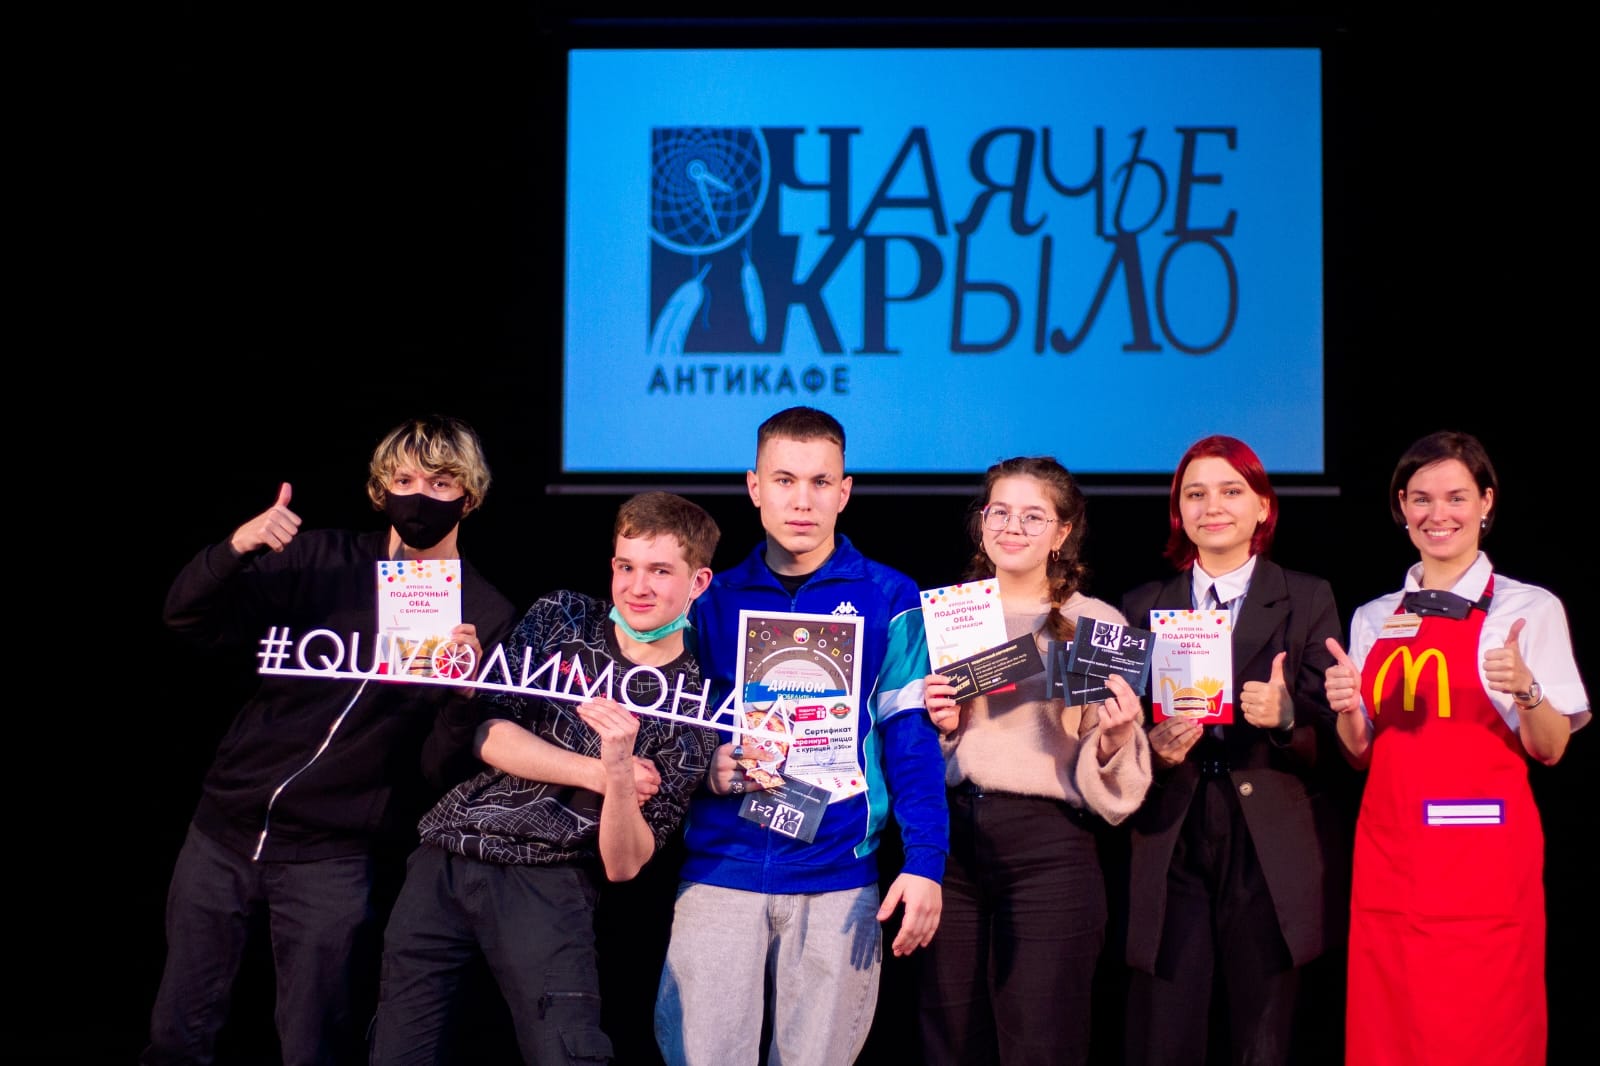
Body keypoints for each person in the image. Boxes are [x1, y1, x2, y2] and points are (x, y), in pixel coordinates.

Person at [145, 414, 518, 1066]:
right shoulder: (321, 559)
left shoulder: (483, 612)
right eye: (404, 480)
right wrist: (235, 547)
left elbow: (437, 769)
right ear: (380, 489)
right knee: (177, 1034)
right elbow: (186, 617)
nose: (420, 497)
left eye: (440, 482)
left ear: (469, 494)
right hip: (223, 830)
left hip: (331, 856)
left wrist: (462, 701)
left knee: (313, 1044)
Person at [368, 491, 722, 1064]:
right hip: (448, 855)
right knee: (399, 1052)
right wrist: (601, 772)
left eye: (660, 571)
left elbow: (625, 863)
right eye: (626, 567)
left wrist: (619, 766)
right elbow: (487, 735)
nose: (637, 587)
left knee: (565, 1052)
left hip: (548, 880)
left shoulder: (697, 701)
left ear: (698, 582)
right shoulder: (562, 615)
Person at [652, 406, 947, 1066]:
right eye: (784, 480)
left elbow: (910, 740)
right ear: (754, 487)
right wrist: (706, 767)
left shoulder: (890, 596)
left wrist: (925, 862)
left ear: (845, 491)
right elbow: (666, 729)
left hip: (838, 877)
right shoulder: (709, 600)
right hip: (721, 872)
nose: (802, 501)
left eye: (820, 482)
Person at [1323, 430, 1590, 1066]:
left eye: (1456, 497)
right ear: (1401, 507)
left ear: (1486, 503)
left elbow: (1551, 749)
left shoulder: (1529, 608)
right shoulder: (1373, 616)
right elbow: (1359, 754)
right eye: (1420, 499)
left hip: (1483, 866)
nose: (1437, 514)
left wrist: (1526, 689)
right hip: (1392, 856)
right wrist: (1346, 709)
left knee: (1483, 1028)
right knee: (1391, 1030)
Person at [912, 456, 1152, 1066]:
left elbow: (1117, 782)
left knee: (1042, 1040)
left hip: (1050, 849)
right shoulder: (947, 618)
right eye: (999, 512)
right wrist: (942, 729)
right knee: (950, 1038)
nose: (1012, 528)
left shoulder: (1096, 623)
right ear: (981, 523)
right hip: (950, 845)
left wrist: (1117, 734)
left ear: (1061, 532)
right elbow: (911, 753)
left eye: (1033, 516)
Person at [1119, 434, 1350, 1066]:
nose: (1212, 506)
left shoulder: (1307, 597)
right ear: (1179, 511)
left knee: (1264, 1038)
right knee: (1164, 1033)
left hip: (1268, 836)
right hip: (1173, 830)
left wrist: (1286, 720)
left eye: (1231, 491)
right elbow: (1111, 731)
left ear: (1262, 507)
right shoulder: (1141, 605)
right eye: (1195, 494)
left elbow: (1338, 739)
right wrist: (1152, 751)